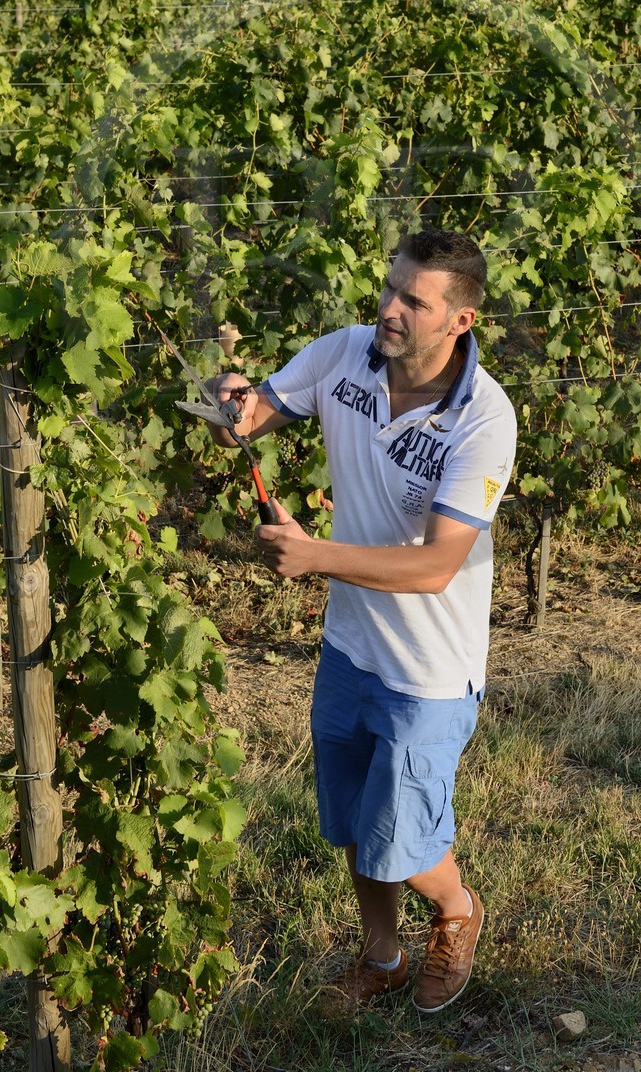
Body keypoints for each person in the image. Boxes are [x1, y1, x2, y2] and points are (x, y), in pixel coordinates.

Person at [209, 229, 517, 1013]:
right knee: (353, 821)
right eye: (389, 288)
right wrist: (231, 403)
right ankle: (383, 956)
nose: (389, 309)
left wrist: (315, 556)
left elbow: (437, 566)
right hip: (351, 645)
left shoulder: (484, 419)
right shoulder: (344, 355)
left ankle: (457, 909)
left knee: (401, 842)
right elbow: (251, 417)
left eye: (415, 301)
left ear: (461, 321)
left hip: (430, 669)